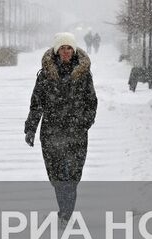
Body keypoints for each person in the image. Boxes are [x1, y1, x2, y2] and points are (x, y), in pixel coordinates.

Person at [24, 32, 98, 222]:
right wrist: (31, 129)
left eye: (69, 48)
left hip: (76, 133)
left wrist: (84, 123)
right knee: (56, 176)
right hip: (51, 132)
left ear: (74, 51)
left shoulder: (83, 75)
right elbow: (36, 103)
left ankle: (66, 212)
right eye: (62, 48)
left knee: (72, 176)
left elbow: (91, 102)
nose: (66, 52)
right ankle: (64, 210)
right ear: (57, 52)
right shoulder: (45, 76)